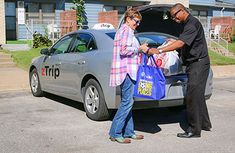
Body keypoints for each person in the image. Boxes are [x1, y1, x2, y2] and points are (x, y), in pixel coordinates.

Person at [147, 3, 212, 138]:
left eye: (174, 16)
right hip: (193, 63)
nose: (174, 20)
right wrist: (174, 40)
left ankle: (194, 130)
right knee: (198, 94)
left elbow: (181, 43)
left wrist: (159, 50)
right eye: (172, 17)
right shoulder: (187, 24)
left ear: (181, 11)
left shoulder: (191, 24)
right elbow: (184, 41)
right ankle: (204, 124)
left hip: (198, 63)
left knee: (192, 96)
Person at [109, 8, 149, 143]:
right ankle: (115, 132)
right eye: (136, 21)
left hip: (128, 70)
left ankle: (128, 131)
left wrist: (140, 48)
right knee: (127, 102)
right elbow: (123, 50)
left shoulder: (127, 31)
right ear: (128, 19)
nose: (137, 24)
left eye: (139, 22)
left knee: (128, 102)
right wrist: (139, 49)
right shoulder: (125, 31)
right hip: (126, 71)